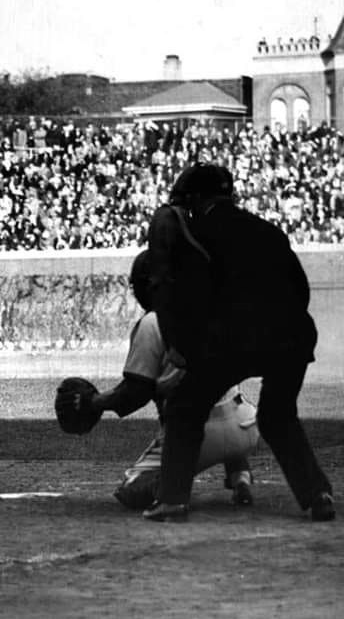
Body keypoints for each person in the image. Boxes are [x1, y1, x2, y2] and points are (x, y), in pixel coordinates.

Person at [144, 164, 334, 522]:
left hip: (235, 336)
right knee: (278, 417)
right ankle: (317, 494)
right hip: (292, 333)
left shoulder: (195, 232)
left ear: (197, 199)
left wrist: (181, 344)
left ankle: (172, 498)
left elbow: (176, 291)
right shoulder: (267, 229)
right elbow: (300, 289)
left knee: (185, 408)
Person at [85, 250, 259, 510]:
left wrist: (95, 402)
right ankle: (240, 476)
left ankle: (173, 487)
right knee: (222, 405)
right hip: (246, 424)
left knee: (130, 490)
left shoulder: (152, 322)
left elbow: (135, 393)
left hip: (195, 434)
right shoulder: (208, 310)